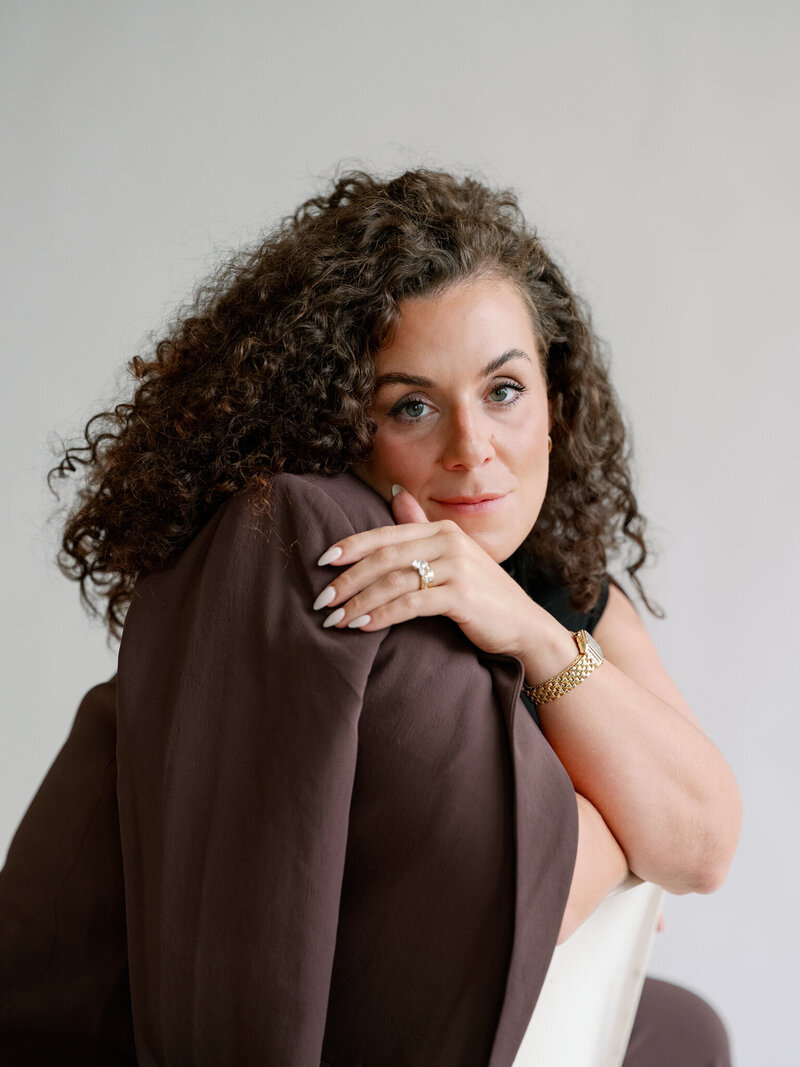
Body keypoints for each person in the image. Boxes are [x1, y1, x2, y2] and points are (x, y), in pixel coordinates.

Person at [0, 168, 741, 1065]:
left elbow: (703, 844)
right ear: (343, 421)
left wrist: (531, 629)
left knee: (688, 1028)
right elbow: (473, 892)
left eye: (503, 390)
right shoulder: (327, 564)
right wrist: (627, 830)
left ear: (556, 403)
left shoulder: (563, 582)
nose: (472, 450)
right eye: (413, 406)